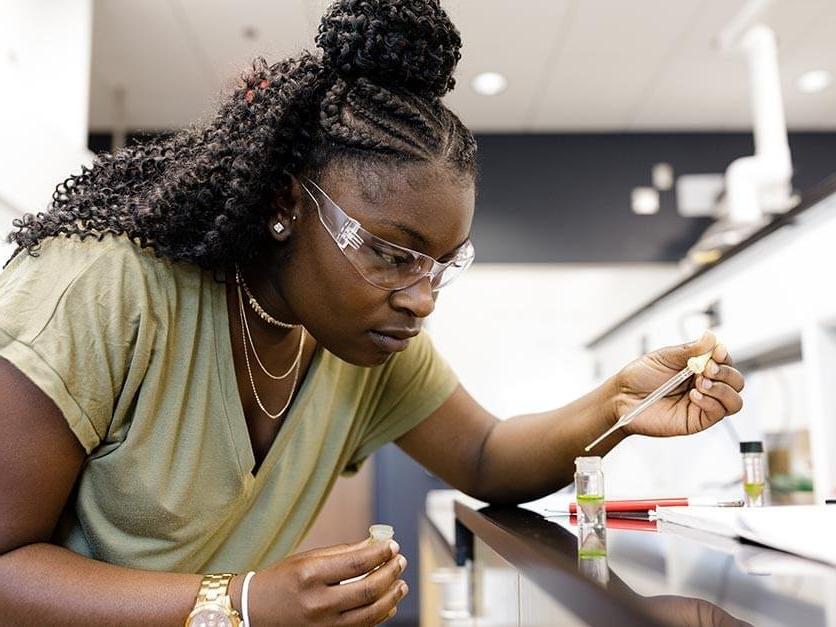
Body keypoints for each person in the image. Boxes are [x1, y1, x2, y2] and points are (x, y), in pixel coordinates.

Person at [0, 1, 745, 624]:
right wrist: (244, 602)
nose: (420, 297)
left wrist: (617, 404)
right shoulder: (102, 288)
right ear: (287, 202)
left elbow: (485, 454)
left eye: (442, 267)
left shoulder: (359, 340)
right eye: (389, 252)